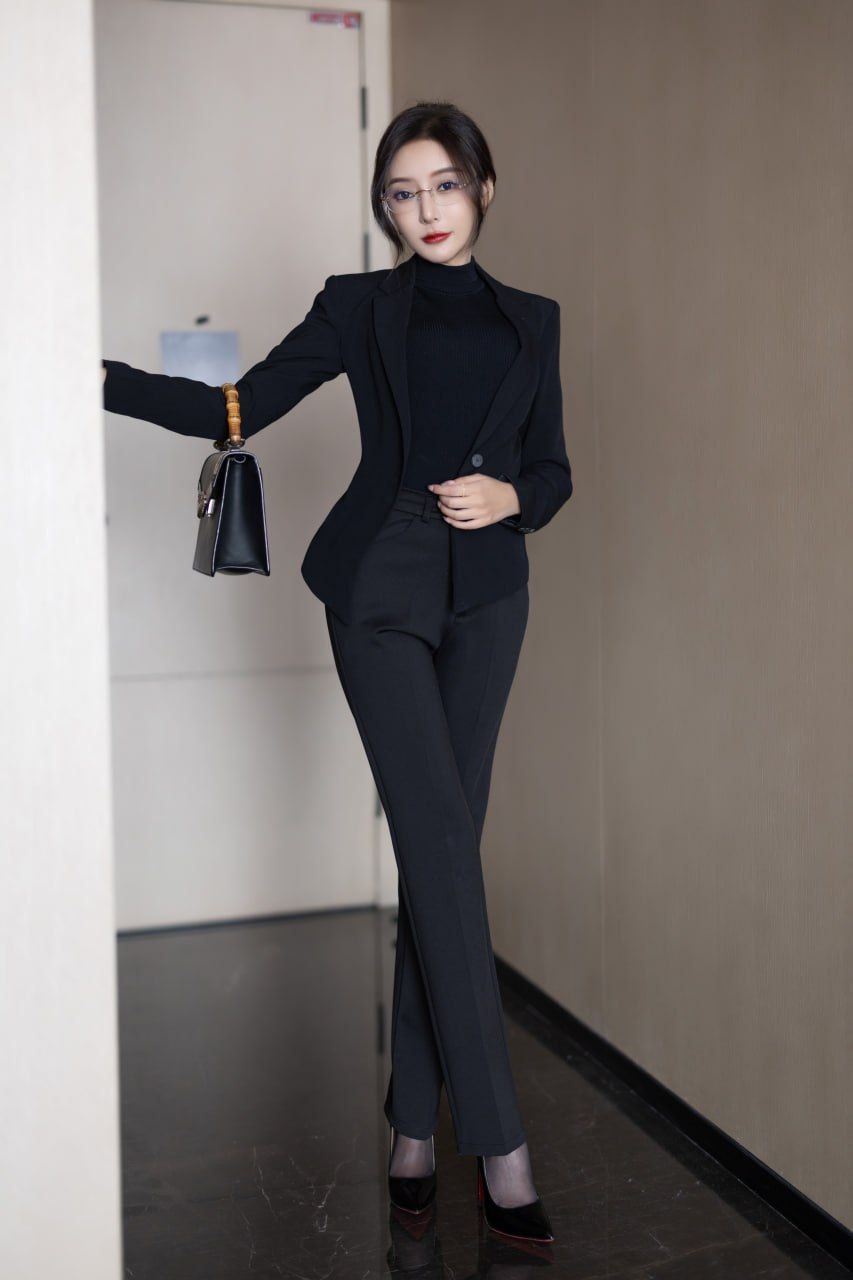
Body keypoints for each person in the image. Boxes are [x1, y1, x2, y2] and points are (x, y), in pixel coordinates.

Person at [102, 100, 572, 1244]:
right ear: (384, 206)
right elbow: (234, 408)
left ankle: (412, 1124)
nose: (426, 211)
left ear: (484, 188)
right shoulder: (357, 305)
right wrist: (91, 374)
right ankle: (498, 1145)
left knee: (439, 853)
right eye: (402, 193)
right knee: (443, 849)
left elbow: (554, 469)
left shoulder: (534, 319)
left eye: (444, 186)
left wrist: (515, 495)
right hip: (377, 590)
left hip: (491, 597)